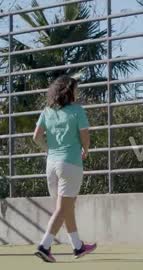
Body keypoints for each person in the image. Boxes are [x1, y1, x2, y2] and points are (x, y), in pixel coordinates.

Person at [33, 75, 96, 262]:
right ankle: (44, 246)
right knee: (63, 208)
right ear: (68, 91)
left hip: (51, 165)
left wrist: (49, 150)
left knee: (66, 207)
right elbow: (85, 135)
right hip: (70, 164)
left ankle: (77, 246)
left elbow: (36, 137)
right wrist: (86, 150)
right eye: (75, 89)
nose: (77, 92)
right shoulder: (77, 111)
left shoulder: (47, 111)